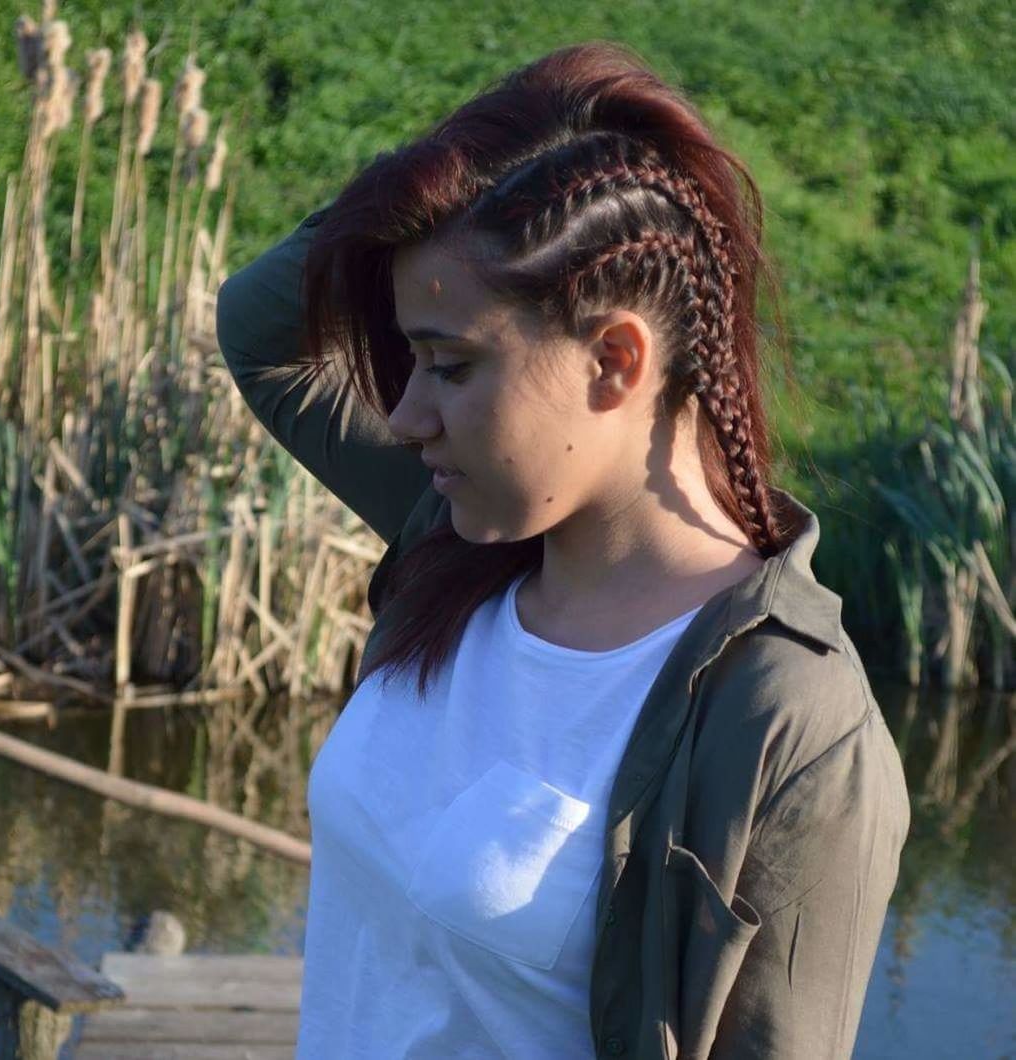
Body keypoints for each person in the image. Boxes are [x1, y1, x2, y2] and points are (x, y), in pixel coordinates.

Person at [216, 40, 910, 1060]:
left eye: (449, 365)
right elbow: (260, 326)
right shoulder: (462, 541)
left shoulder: (788, 726)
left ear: (614, 359)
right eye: (410, 360)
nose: (406, 415)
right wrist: (505, 136)